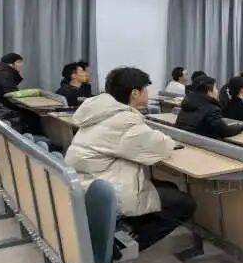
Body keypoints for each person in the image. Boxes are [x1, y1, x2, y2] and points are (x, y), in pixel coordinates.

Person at [65, 67, 196, 251]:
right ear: (135, 93)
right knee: (185, 204)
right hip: (106, 192)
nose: (147, 93)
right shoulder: (123, 120)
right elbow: (161, 145)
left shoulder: (100, 112)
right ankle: (123, 249)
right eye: (145, 89)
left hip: (88, 185)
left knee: (169, 187)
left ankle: (128, 229)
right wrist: (165, 138)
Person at [176, 75, 243, 139]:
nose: (217, 91)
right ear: (209, 92)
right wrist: (240, 126)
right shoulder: (212, 109)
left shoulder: (187, 103)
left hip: (183, 140)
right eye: (215, 88)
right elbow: (224, 131)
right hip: (201, 143)